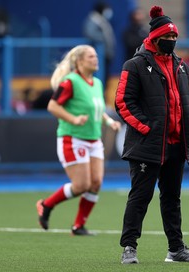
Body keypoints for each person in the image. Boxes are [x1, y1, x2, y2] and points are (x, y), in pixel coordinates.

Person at [115, 6, 189, 264]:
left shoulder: (180, 66)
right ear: (155, 38)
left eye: (175, 37)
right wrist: (146, 128)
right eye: (169, 37)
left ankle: (176, 249)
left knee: (172, 199)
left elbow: (186, 102)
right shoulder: (135, 65)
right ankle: (129, 248)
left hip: (176, 144)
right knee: (140, 197)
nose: (173, 41)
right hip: (148, 144)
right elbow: (122, 102)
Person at [36, 45, 121, 236]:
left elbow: (97, 110)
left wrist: (109, 121)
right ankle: (46, 204)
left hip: (93, 140)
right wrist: (74, 119)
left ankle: (78, 226)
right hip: (72, 139)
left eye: (96, 56)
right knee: (81, 185)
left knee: (96, 183)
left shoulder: (97, 83)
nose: (96, 59)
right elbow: (52, 106)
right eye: (91, 56)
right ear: (79, 61)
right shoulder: (70, 82)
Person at [83, 1, 116, 92]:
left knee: (105, 79)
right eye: (106, 9)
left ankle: (103, 101)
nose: (108, 12)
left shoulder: (102, 21)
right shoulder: (93, 20)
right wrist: (102, 39)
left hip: (105, 55)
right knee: (98, 79)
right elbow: (90, 33)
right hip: (99, 55)